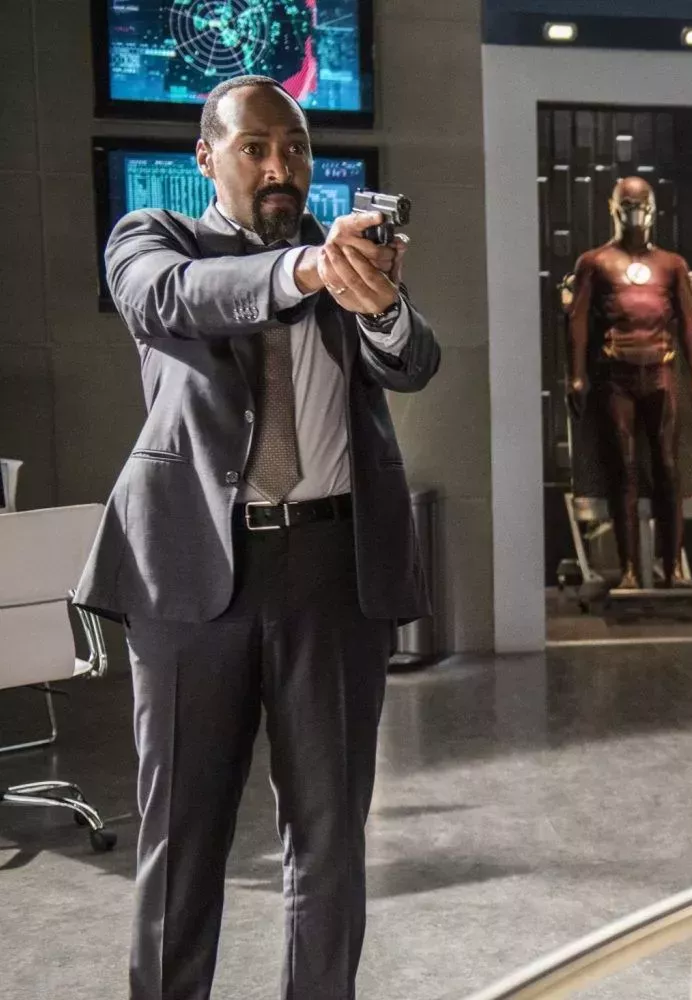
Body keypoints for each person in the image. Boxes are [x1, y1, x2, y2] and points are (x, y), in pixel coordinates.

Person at [75, 75, 441, 1000]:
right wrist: (302, 272)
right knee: (181, 837)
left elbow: (414, 361)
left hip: (333, 569)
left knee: (330, 839)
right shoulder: (153, 238)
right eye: (257, 148)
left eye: (297, 148)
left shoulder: (343, 258)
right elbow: (174, 298)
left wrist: (380, 303)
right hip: (190, 573)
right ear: (207, 157)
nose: (282, 166)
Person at [568, 177, 692, 588]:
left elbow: (689, 321)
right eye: (628, 206)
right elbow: (577, 320)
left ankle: (673, 566)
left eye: (641, 206)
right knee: (623, 468)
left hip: (660, 371)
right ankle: (629, 569)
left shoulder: (671, 264)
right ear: (614, 209)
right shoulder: (595, 262)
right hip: (616, 375)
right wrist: (575, 375)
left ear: (652, 210)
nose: (635, 214)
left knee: (668, 467)